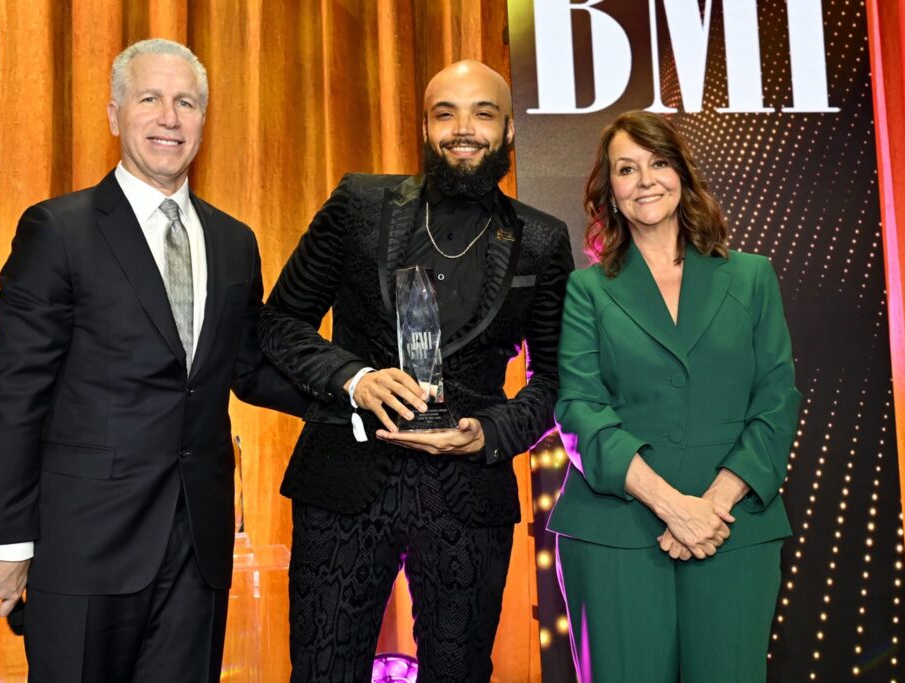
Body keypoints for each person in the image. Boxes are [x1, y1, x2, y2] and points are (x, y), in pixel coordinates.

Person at [0, 38, 305, 682]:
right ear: (115, 115)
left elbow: (249, 368)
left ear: (204, 119)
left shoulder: (234, 241)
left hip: (197, 552)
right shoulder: (57, 230)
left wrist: (360, 394)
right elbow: (14, 391)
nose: (169, 118)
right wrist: (6, 539)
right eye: (150, 99)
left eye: (186, 103)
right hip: (82, 546)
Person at [258, 60, 574, 681]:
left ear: (509, 130)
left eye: (483, 113)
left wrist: (490, 433)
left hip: (466, 493)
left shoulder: (540, 239)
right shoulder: (359, 203)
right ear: (425, 128)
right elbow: (280, 321)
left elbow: (556, 377)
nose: (464, 128)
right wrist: (355, 379)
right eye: (445, 113)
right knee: (323, 671)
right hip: (345, 478)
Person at [548, 110, 801, 683]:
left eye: (658, 163)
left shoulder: (753, 277)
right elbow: (579, 408)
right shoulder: (587, 289)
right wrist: (673, 507)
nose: (645, 180)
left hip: (733, 526)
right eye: (626, 169)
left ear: (682, 175)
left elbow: (777, 399)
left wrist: (711, 507)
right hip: (614, 530)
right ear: (609, 191)